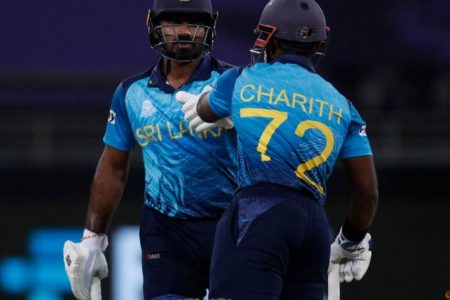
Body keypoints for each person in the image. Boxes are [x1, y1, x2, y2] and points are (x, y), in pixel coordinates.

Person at [176, 0, 379, 299]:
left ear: (267, 36)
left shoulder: (239, 80)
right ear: (319, 42)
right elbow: (367, 191)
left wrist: (214, 102)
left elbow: (205, 111)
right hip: (313, 225)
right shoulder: (342, 105)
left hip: (257, 214)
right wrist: (351, 241)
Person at [62, 0, 238, 299]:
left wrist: (241, 114)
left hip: (231, 223)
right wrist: (93, 236)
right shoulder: (132, 92)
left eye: (193, 23)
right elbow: (114, 166)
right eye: (173, 22)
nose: (183, 32)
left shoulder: (235, 83)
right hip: (165, 231)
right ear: (153, 23)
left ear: (210, 26)